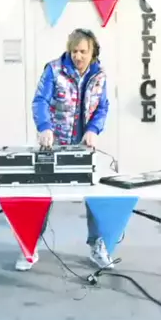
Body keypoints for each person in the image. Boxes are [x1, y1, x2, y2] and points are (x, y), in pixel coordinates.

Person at [15, 28, 112, 272]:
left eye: (83, 52)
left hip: (84, 144)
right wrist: (44, 127)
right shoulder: (53, 69)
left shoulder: (99, 75)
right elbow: (40, 100)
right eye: (74, 51)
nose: (78, 56)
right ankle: (30, 247)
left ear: (92, 52)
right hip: (54, 141)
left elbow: (102, 107)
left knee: (95, 196)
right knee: (42, 197)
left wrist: (94, 129)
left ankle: (97, 245)